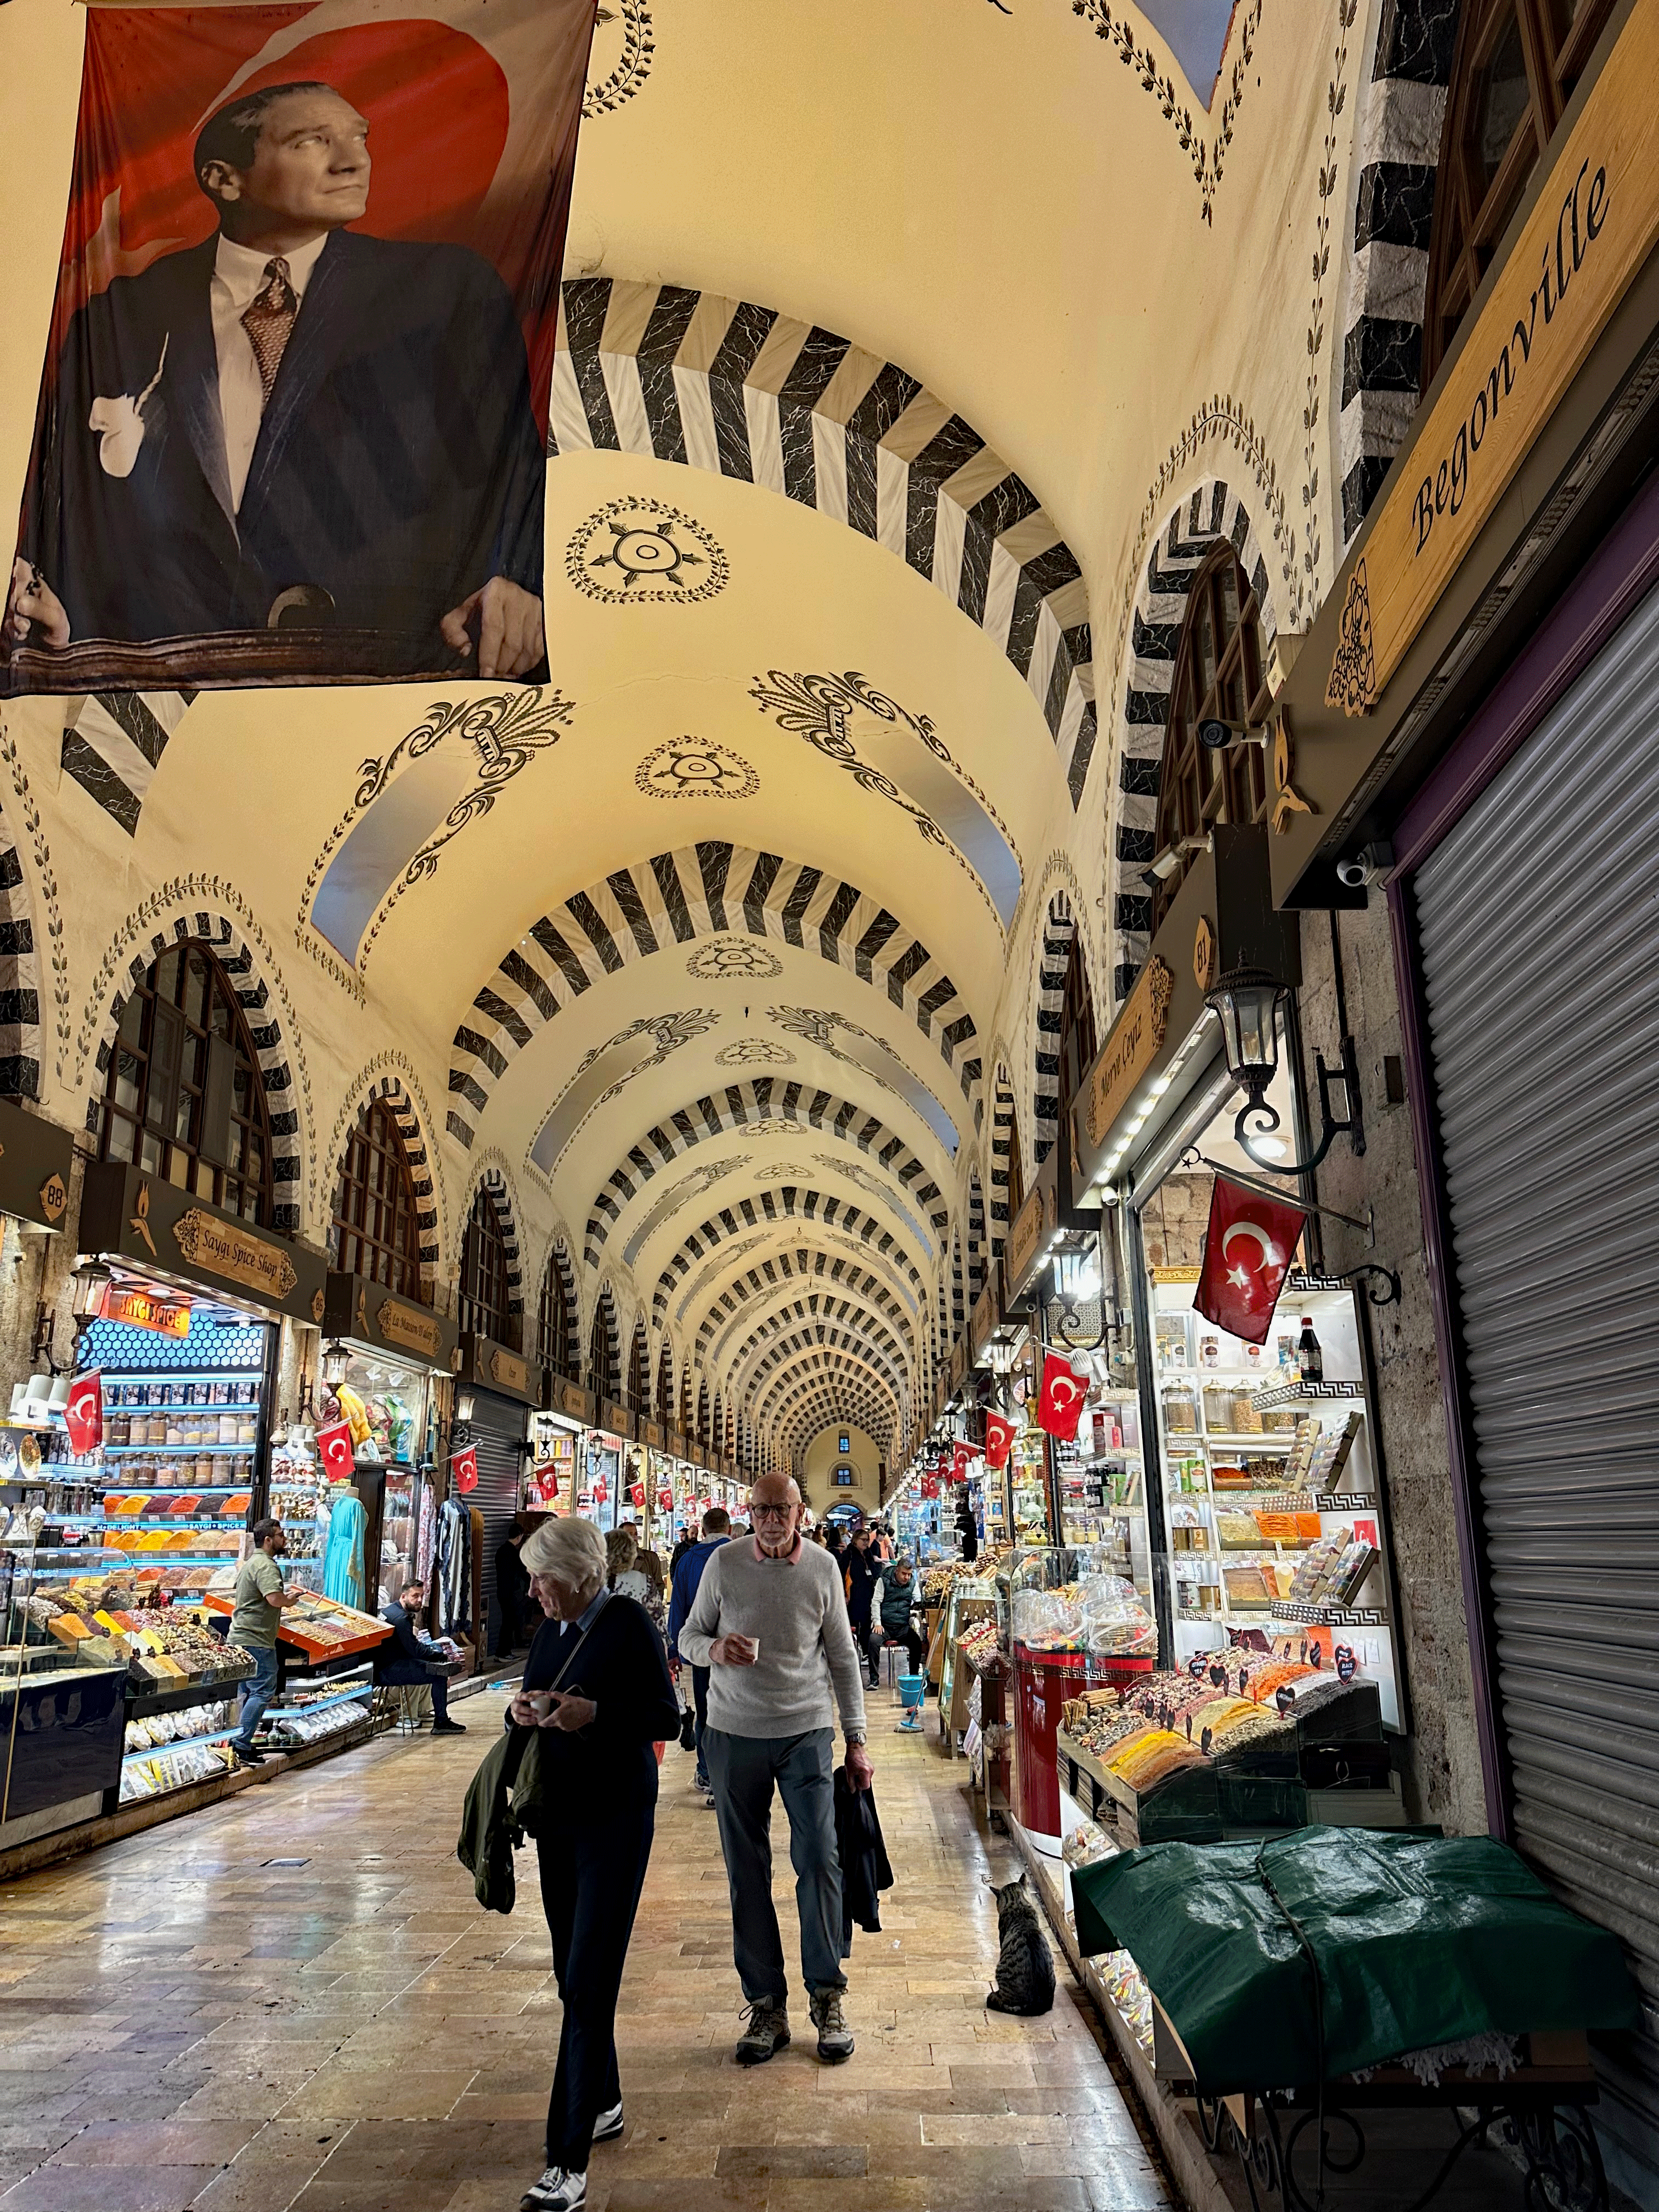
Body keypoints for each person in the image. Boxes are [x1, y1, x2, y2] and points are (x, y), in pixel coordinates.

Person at [7, 80, 545, 679]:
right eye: (312, 141)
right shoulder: (120, 317)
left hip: (388, 682)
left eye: (359, 137)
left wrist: (528, 588)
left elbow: (514, 472)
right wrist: (51, 608)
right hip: (166, 693)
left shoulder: (446, 293)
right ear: (224, 180)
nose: (355, 160)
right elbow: (73, 513)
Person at [510, 1515, 679, 2212]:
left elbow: (667, 1719)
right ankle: (603, 2099)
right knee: (568, 1974)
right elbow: (531, 1692)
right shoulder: (554, 1629)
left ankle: (566, 2161)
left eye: (541, 1578)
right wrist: (524, 1711)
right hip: (560, 1820)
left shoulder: (629, 1624)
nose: (533, 1592)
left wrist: (596, 1716)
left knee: (588, 1979)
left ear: (580, 1575)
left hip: (615, 1819)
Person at [680, 1472, 872, 2069]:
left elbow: (842, 1655)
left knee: (818, 1857)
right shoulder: (723, 1565)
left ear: (800, 1512)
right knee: (747, 1871)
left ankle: (827, 1995)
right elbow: (686, 1635)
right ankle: (766, 2004)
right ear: (750, 1511)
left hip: (807, 1732)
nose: (770, 1519)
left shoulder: (819, 1569)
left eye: (781, 1509)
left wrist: (857, 1740)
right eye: (761, 1509)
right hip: (734, 1735)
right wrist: (714, 1650)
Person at [666, 1507, 729, 1799]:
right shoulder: (739, 1555)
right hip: (736, 1650)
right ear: (728, 1529)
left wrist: (674, 1650)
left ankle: (707, 1771)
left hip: (702, 1650)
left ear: (703, 1531)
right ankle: (732, 1772)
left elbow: (677, 1606)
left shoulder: (688, 1561)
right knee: (734, 1710)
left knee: (706, 1711)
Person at [228, 1517, 300, 1768]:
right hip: (256, 1639)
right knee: (262, 1691)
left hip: (241, 1636)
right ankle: (241, 1743)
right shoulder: (267, 1566)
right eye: (280, 1535)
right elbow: (274, 1599)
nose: (284, 1539)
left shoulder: (252, 1563)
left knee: (246, 1693)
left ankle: (235, 1742)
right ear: (268, 1540)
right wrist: (289, 1600)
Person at [377, 1579, 466, 1734]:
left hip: (392, 1664)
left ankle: (431, 1715)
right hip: (389, 1670)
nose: (419, 1600)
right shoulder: (401, 1619)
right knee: (439, 1674)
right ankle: (441, 1722)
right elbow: (415, 1650)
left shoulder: (393, 1610)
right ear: (404, 1596)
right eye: (415, 1596)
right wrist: (441, 1657)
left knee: (434, 1667)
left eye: (421, 1596)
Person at [871, 1554, 927, 1681]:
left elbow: (917, 1599)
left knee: (916, 1643)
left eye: (909, 1574)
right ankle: (874, 1678)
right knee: (873, 1641)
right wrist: (877, 1623)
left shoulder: (912, 1583)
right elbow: (876, 1602)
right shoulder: (883, 1580)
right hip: (885, 1626)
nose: (907, 1577)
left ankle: (913, 1678)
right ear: (897, 1571)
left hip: (902, 1627)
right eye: (904, 1574)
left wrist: (918, 1604)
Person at [843, 1526, 883, 1688]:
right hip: (853, 1595)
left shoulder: (867, 1554)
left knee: (867, 1624)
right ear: (855, 1540)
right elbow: (841, 1573)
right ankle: (852, 1653)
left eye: (868, 1540)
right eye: (864, 1540)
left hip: (867, 1593)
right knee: (853, 1624)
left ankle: (866, 1652)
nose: (867, 1543)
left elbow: (873, 1571)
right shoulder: (849, 1554)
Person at [494, 1518, 533, 1660]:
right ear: (519, 1537)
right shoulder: (513, 1554)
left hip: (502, 1591)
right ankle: (503, 1652)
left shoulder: (501, 1551)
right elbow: (522, 1572)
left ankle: (503, 1651)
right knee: (508, 1623)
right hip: (511, 1594)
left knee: (507, 1622)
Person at [955, 1491, 979, 1565]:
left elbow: (967, 1553)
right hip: (972, 1555)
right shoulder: (969, 1536)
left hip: (970, 1556)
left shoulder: (967, 1538)